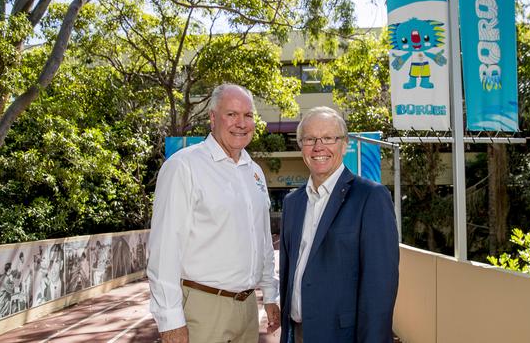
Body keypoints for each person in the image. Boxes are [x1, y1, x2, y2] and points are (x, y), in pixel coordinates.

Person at [148, 83, 280, 343]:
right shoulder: (183, 166)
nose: (241, 123)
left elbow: (262, 239)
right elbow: (165, 249)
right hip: (203, 309)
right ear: (212, 117)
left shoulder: (254, 171)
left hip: (247, 307)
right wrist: (170, 322)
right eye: (231, 114)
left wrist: (270, 293)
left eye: (248, 115)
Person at [279, 106, 399, 343]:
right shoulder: (293, 203)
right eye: (310, 139)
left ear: (344, 145)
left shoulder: (371, 197)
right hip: (297, 333)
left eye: (328, 138)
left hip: (343, 336)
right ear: (301, 146)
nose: (318, 147)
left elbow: (380, 286)